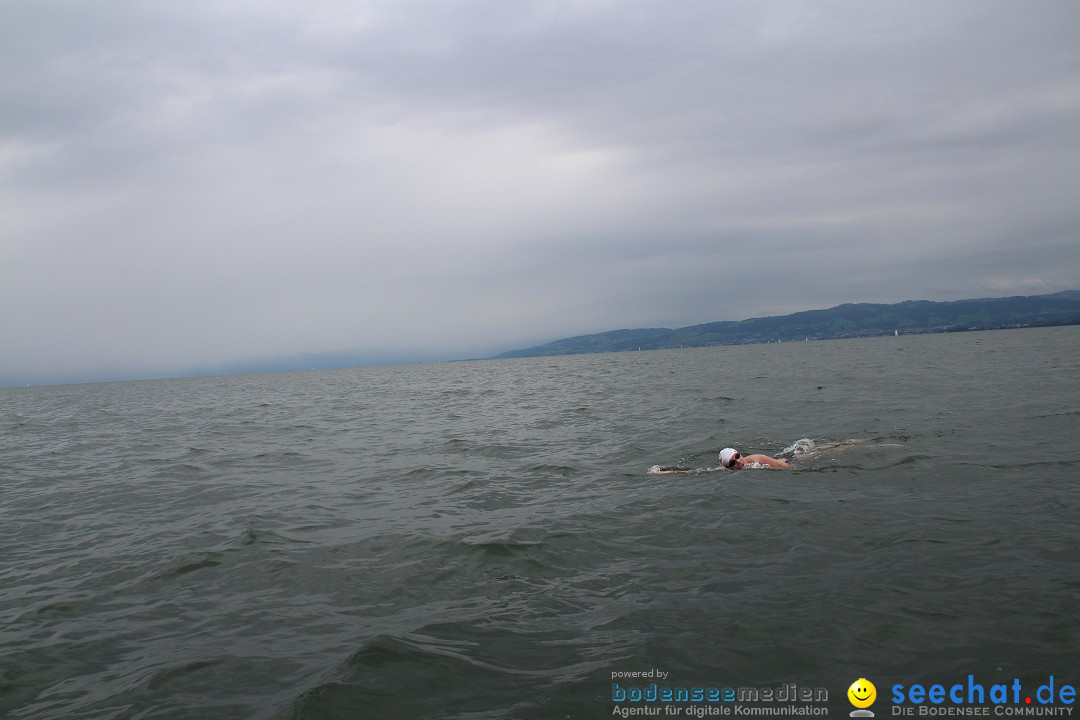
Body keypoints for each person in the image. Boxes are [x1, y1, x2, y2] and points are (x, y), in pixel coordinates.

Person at [648, 447, 789, 474]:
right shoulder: (723, 469)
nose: (740, 462)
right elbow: (693, 472)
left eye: (738, 457)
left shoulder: (758, 459)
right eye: (733, 463)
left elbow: (787, 467)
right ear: (728, 467)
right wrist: (662, 472)